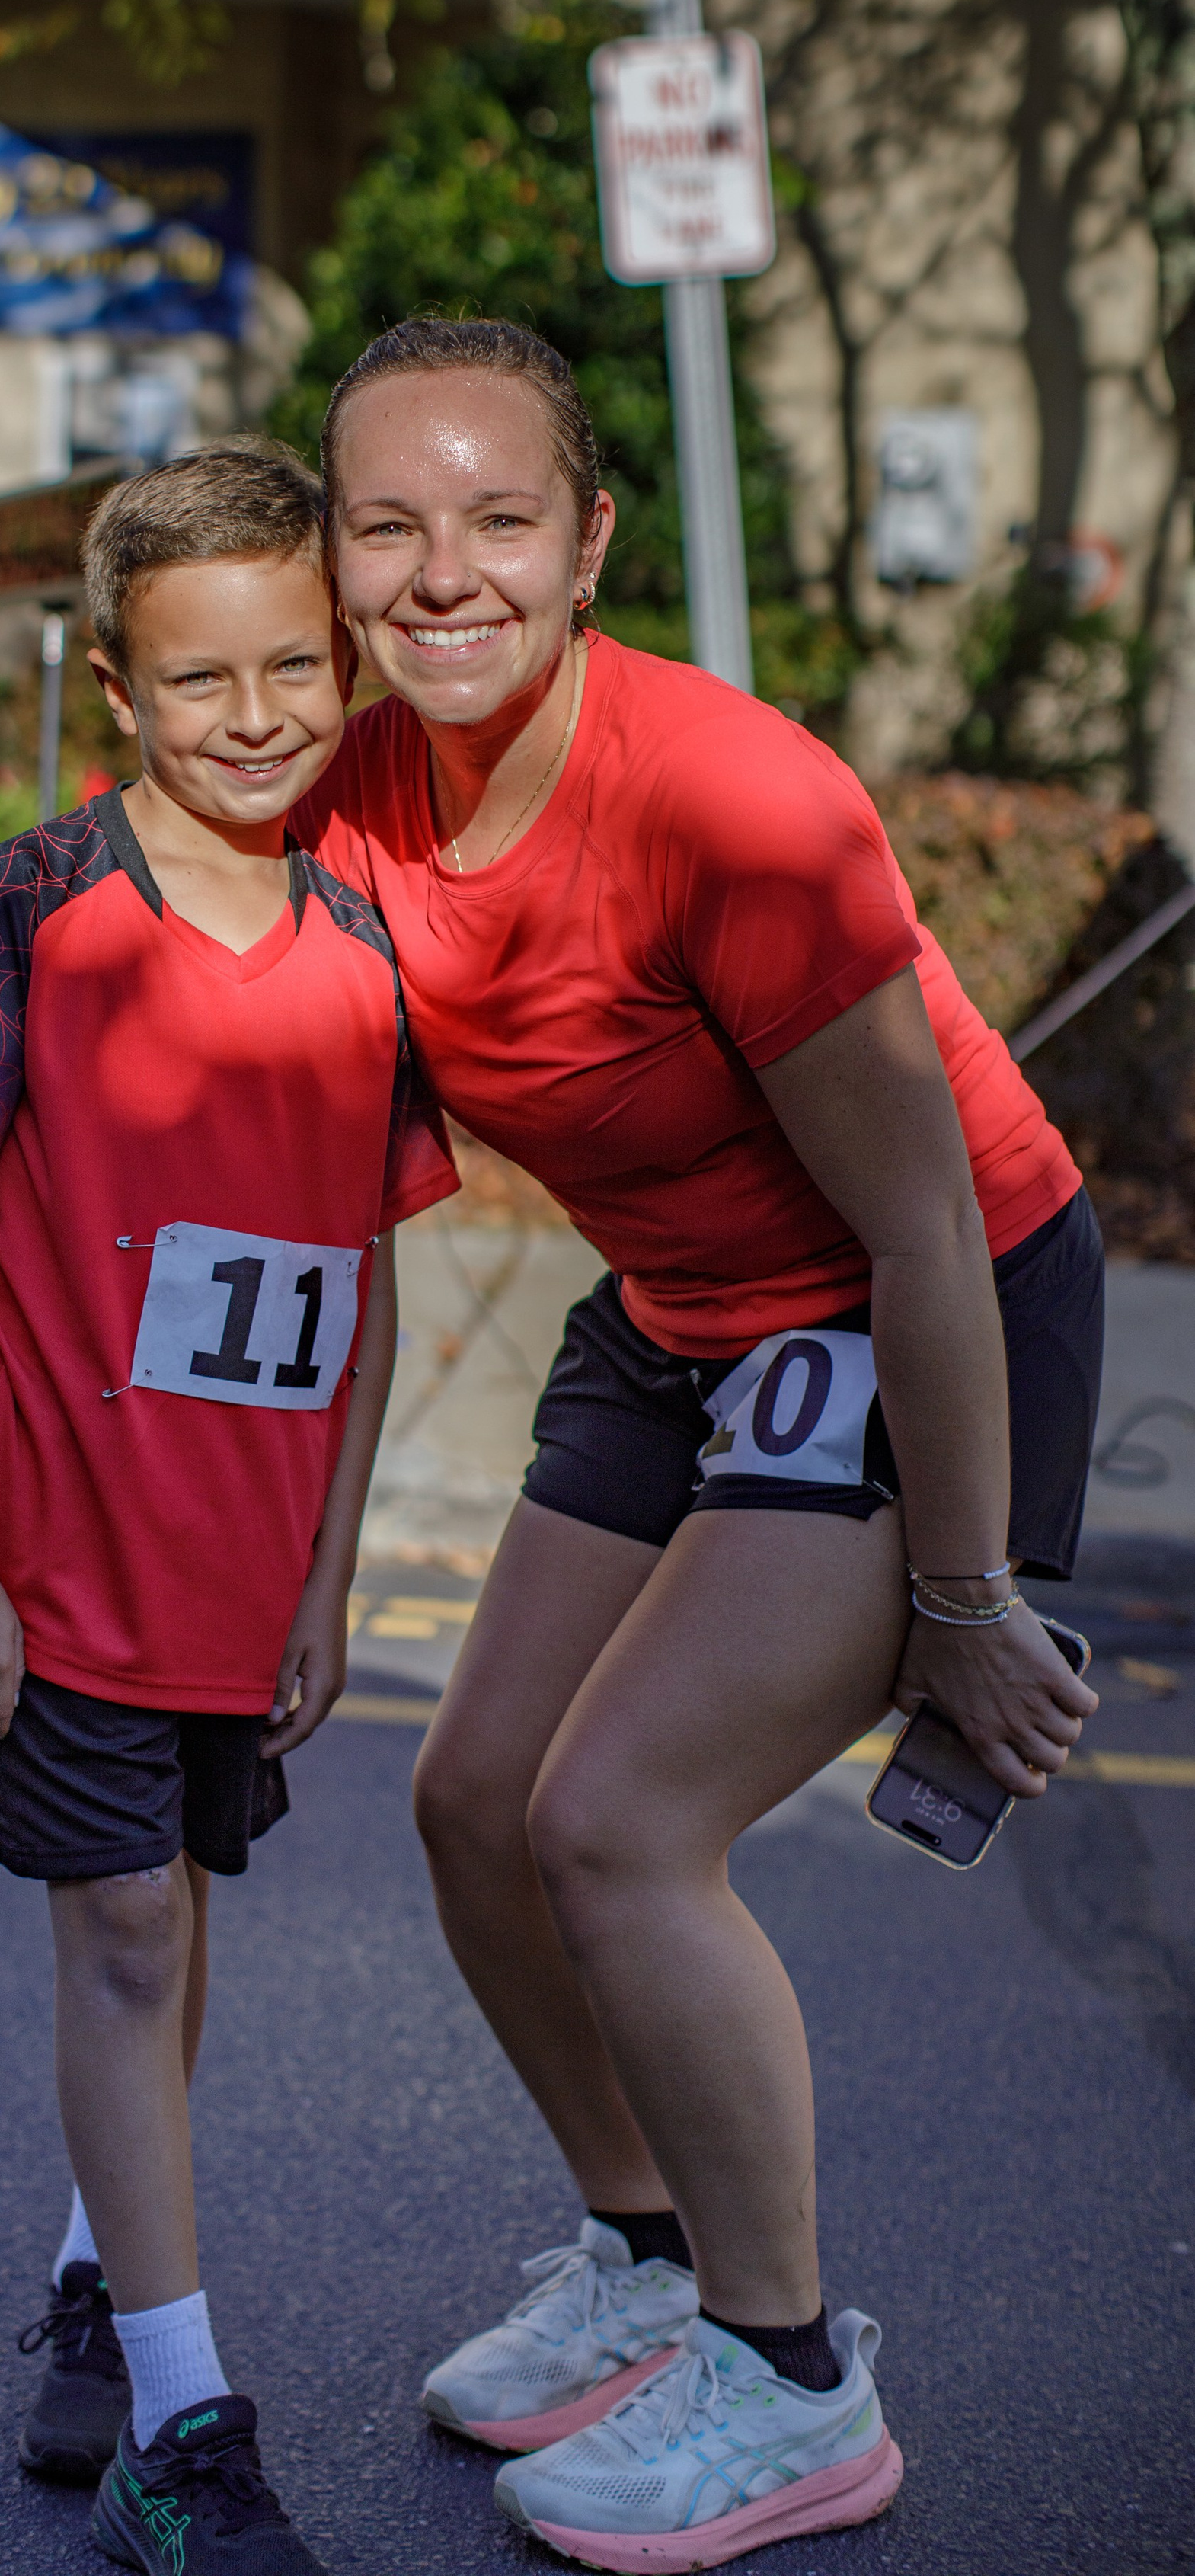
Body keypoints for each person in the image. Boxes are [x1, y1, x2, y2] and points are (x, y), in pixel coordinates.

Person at [286, 317, 1103, 2569]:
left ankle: (794, 2379)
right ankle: (645, 2262)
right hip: (677, 1315)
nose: (446, 575)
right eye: (389, 526)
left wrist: (960, 1588)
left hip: (913, 1299)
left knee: (620, 1821)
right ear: (336, 556)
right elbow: (329, 1216)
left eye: (501, 521)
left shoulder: (731, 799)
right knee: (471, 1805)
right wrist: (305, 1574)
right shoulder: (355, 799)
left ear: (591, 541)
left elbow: (929, 1219)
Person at [0, 440, 458, 2576]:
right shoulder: (36, 905)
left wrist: (331, 1570)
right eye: (205, 680)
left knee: (171, 1924)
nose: (261, 713)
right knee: (117, 1926)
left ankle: (114, 2273)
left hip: (240, 1560)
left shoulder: (374, 940)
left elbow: (361, 1283)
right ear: (119, 685)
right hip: (58, 1551)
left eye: (298, 664)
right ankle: (188, 2436)